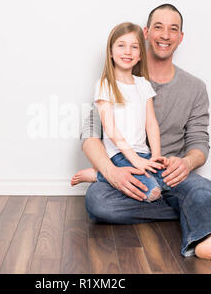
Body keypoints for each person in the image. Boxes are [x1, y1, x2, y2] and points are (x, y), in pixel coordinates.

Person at [80, 4, 211, 260]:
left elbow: (200, 143)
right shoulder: (114, 81)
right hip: (127, 172)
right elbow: (90, 135)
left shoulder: (194, 88)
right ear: (146, 33)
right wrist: (110, 172)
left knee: (202, 188)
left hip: (169, 173)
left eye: (173, 29)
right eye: (158, 27)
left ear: (181, 37)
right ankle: (200, 210)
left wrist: (186, 161)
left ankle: (210, 238)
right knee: (99, 202)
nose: (165, 35)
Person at [71, 22, 170, 202]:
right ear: (110, 51)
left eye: (134, 47)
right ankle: (99, 175)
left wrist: (155, 156)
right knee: (153, 193)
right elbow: (111, 129)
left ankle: (201, 206)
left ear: (140, 55)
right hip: (119, 155)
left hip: (144, 153)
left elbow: (151, 124)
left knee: (174, 183)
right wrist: (135, 160)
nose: (127, 52)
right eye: (121, 45)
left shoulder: (143, 84)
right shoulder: (105, 85)